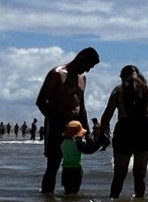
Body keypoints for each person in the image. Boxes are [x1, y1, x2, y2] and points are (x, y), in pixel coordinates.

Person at [36, 47, 100, 194]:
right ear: (81, 58)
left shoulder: (82, 78)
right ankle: (47, 201)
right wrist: (55, 121)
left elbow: (81, 107)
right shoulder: (57, 74)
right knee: (53, 165)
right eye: (88, 66)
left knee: (73, 163)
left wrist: (88, 132)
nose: (88, 70)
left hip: (75, 126)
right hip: (56, 123)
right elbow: (41, 101)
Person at [98, 64, 148, 199]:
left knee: (119, 174)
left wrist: (101, 134)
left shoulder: (118, 91)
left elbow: (107, 114)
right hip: (145, 131)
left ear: (122, 77)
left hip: (124, 131)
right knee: (140, 175)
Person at [57, 119, 105, 195]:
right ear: (78, 134)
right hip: (76, 170)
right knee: (75, 191)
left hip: (65, 170)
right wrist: (99, 143)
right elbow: (89, 150)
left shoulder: (63, 142)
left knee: (67, 191)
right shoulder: (78, 144)